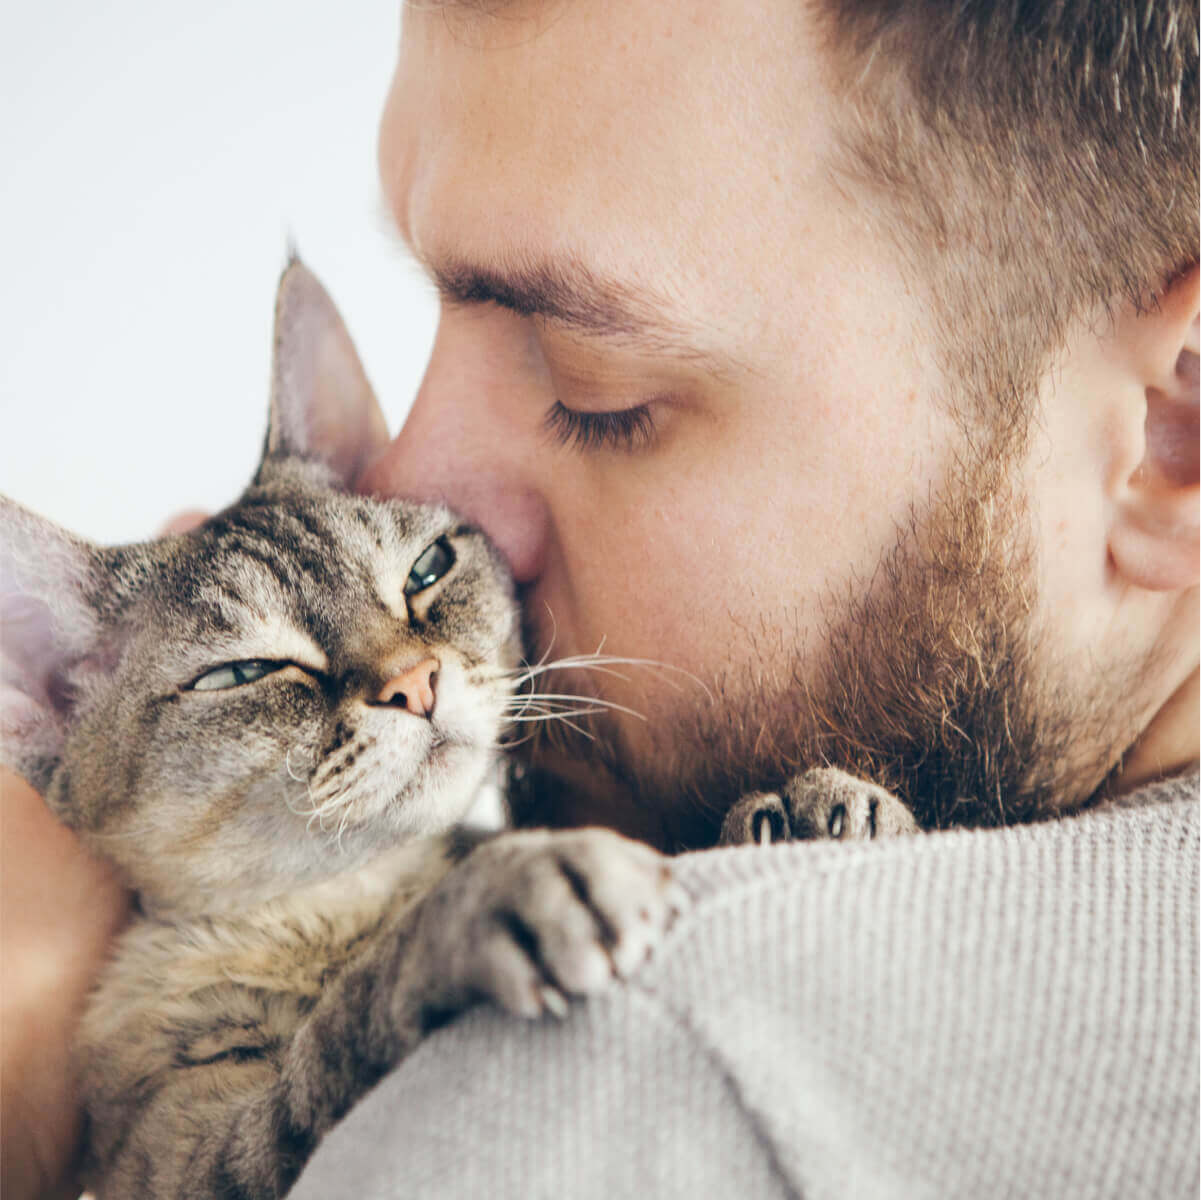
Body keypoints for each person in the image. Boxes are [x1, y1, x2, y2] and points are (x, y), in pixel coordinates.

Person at [2, 0, 1197, 1196]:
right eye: (438, 311)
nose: (412, 486)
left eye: (594, 384)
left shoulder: (638, 1074)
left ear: (1172, 427)